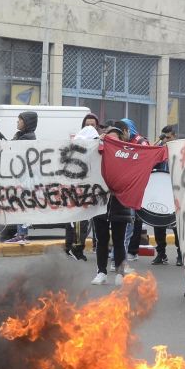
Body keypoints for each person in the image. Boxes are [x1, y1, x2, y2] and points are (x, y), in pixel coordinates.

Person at [92, 126, 135, 286]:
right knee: (101, 240)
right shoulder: (98, 154)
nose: (112, 141)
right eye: (109, 138)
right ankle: (101, 272)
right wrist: (96, 141)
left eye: (115, 138)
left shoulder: (127, 157)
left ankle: (120, 273)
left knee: (119, 240)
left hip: (120, 203)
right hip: (100, 202)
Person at [64, 112, 101, 261]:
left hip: (93, 189)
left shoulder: (99, 144)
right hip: (79, 189)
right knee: (78, 220)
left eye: (93, 125)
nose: (90, 127)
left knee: (86, 220)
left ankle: (76, 248)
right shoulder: (76, 146)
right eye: (87, 125)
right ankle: (74, 248)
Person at [5, 111, 38, 244]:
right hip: (21, 175)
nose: (17, 122)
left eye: (20, 120)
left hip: (25, 177)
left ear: (27, 122)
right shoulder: (22, 136)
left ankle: (22, 234)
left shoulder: (27, 138)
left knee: (21, 203)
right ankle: (21, 233)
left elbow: (12, 149)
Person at [119, 118, 149, 262]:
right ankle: (121, 249)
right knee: (125, 218)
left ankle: (132, 250)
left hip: (138, 185)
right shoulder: (122, 142)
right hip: (125, 185)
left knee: (135, 219)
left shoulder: (140, 142)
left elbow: (147, 159)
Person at [152, 126, 182, 266]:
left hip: (175, 192)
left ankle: (180, 254)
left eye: (168, 138)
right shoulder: (159, 149)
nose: (166, 140)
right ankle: (161, 254)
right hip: (160, 191)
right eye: (164, 138)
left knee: (176, 225)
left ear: (175, 136)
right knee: (158, 223)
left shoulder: (180, 150)